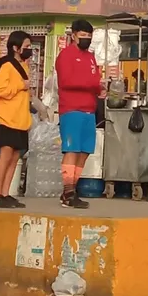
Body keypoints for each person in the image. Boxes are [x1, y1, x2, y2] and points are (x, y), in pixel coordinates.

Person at [56, 20, 103, 209]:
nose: (86, 40)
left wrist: (99, 87)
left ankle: (71, 190)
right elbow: (66, 81)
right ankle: (68, 191)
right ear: (74, 35)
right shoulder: (66, 55)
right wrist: (92, 85)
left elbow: (95, 79)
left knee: (84, 152)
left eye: (89, 37)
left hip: (89, 110)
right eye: (83, 36)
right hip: (71, 109)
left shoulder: (90, 57)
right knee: (72, 150)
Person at [0, 30, 32, 209]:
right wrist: (20, 86)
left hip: (21, 119)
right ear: (16, 47)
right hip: (6, 118)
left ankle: (5, 192)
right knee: (5, 155)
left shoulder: (24, 65)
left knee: (15, 157)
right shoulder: (5, 64)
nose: (29, 50)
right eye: (26, 47)